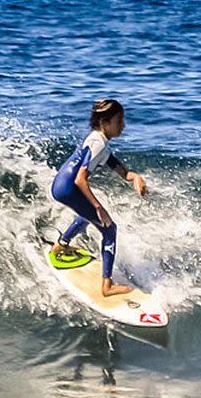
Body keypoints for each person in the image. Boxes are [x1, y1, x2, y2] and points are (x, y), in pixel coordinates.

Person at [51, 99, 147, 297]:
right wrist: (98, 207)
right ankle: (107, 286)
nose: (123, 125)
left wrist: (136, 178)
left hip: (61, 185)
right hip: (69, 188)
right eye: (119, 120)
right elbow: (80, 179)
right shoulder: (98, 144)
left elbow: (123, 173)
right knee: (109, 229)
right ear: (105, 122)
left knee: (85, 214)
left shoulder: (101, 143)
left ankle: (62, 244)